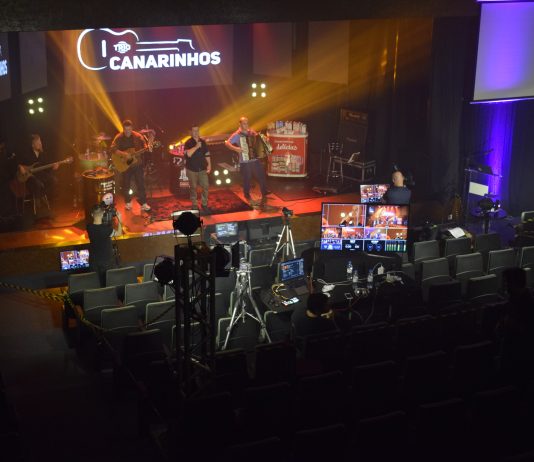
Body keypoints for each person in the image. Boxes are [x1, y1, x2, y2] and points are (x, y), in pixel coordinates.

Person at [225, 116, 268, 204]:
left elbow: (258, 138)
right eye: (244, 123)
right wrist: (236, 149)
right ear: (240, 124)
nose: (246, 125)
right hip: (245, 161)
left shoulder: (251, 132)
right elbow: (227, 143)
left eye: (247, 123)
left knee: (261, 175)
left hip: (255, 159)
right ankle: (246, 194)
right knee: (247, 178)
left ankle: (264, 192)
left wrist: (264, 138)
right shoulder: (237, 135)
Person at [111, 119, 151, 212]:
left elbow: (145, 145)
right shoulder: (119, 137)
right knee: (126, 184)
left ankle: (143, 203)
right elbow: (112, 149)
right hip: (125, 165)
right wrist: (124, 154)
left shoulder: (138, 136)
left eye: (129, 129)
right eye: (125, 130)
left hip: (137, 164)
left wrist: (148, 147)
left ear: (132, 128)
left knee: (140, 183)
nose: (127, 132)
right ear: (123, 129)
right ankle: (128, 202)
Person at [15, 134, 58, 207]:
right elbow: (17, 161)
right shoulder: (27, 153)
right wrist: (20, 167)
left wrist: (53, 167)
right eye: (37, 142)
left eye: (40, 141)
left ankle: (40, 195)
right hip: (29, 177)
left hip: (40, 175)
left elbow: (46, 166)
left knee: (53, 180)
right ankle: (38, 200)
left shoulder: (43, 154)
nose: (40, 143)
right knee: (37, 184)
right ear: (33, 145)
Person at [86, 204, 122, 285]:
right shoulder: (107, 229)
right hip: (107, 262)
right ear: (103, 214)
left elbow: (97, 227)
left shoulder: (89, 227)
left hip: (94, 262)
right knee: (108, 284)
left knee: (96, 285)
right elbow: (119, 233)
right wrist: (120, 220)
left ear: (92, 214)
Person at [184, 124, 211, 213]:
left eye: (197, 130)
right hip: (191, 170)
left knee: (206, 186)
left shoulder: (203, 142)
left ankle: (204, 204)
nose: (196, 132)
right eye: (194, 131)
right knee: (193, 188)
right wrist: (196, 147)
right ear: (191, 132)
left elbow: (207, 153)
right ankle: (194, 204)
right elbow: (188, 154)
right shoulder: (188, 143)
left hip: (202, 169)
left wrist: (209, 165)